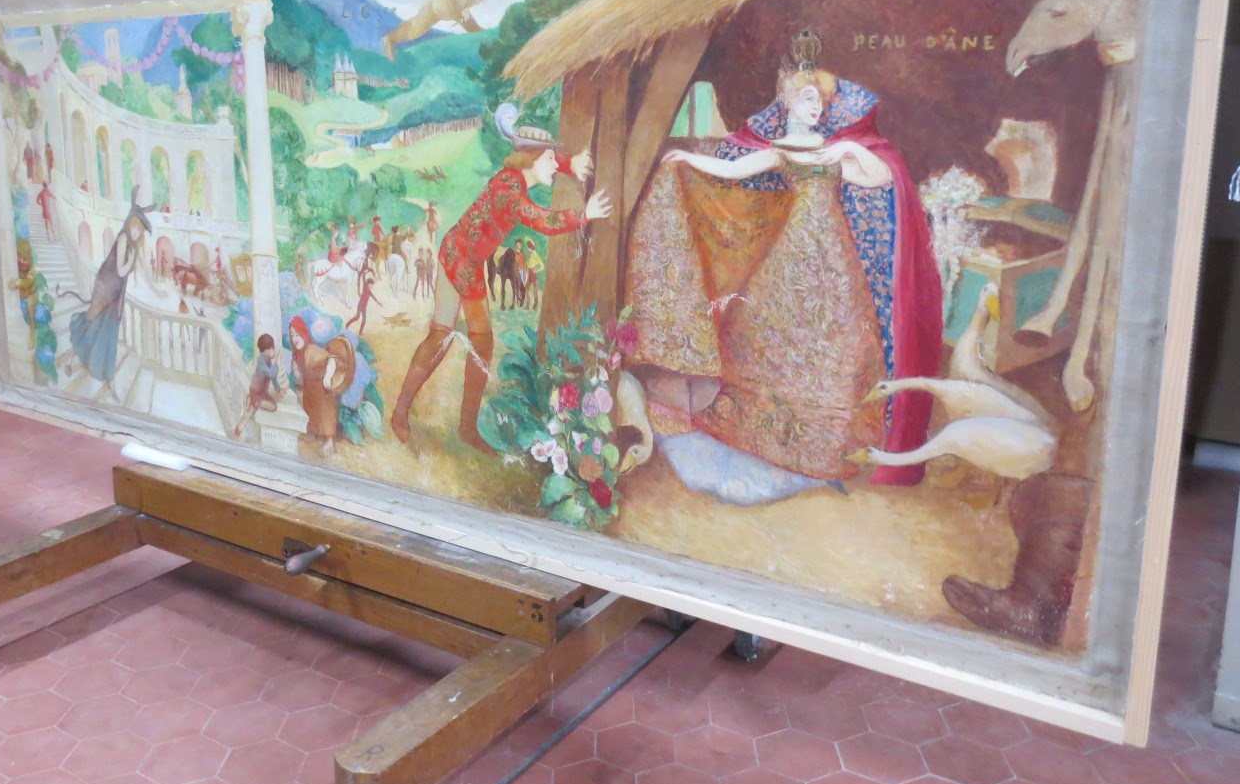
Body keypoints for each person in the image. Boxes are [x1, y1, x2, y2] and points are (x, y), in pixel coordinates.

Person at [647, 29, 943, 483]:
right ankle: (768, 429)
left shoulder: (834, 150)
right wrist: (687, 161)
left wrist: (850, 148)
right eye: (807, 100)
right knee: (768, 328)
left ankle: (826, 441)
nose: (816, 108)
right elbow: (733, 169)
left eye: (820, 101)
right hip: (791, 251)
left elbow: (880, 179)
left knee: (838, 335)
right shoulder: (781, 151)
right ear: (789, 104)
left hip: (835, 255)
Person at [391, 139, 610, 454]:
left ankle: (441, 422)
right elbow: (542, 221)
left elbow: (546, 160)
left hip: (460, 254)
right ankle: (452, 425)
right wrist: (584, 213)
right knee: (469, 341)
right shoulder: (511, 191)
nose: (554, 164)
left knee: (452, 337)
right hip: (461, 261)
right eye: (550, 158)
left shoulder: (514, 177)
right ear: (531, 159)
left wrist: (570, 162)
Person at [67, 191, 156, 401]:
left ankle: (110, 378)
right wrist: (131, 260)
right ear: (128, 224)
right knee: (90, 321)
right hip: (105, 287)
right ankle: (72, 358)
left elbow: (143, 270)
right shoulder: (123, 238)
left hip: (116, 293)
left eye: (139, 229)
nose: (136, 231)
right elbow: (121, 270)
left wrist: (157, 290)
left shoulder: (133, 245)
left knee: (109, 331)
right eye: (134, 226)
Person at [289, 316, 354, 457]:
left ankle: (329, 442)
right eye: (292, 335)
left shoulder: (311, 350)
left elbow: (332, 359)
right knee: (311, 411)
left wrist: (328, 376)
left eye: (297, 334)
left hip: (323, 391)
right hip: (311, 390)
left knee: (325, 415)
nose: (295, 338)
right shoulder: (298, 353)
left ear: (303, 333)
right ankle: (313, 433)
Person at [233, 333, 284, 440]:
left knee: (269, 407)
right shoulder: (262, 361)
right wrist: (277, 363)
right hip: (256, 392)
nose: (274, 351)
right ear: (267, 350)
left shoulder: (267, 360)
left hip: (262, 392)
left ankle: (252, 406)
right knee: (271, 407)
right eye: (272, 349)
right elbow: (272, 375)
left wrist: (279, 389)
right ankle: (254, 406)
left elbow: (273, 378)